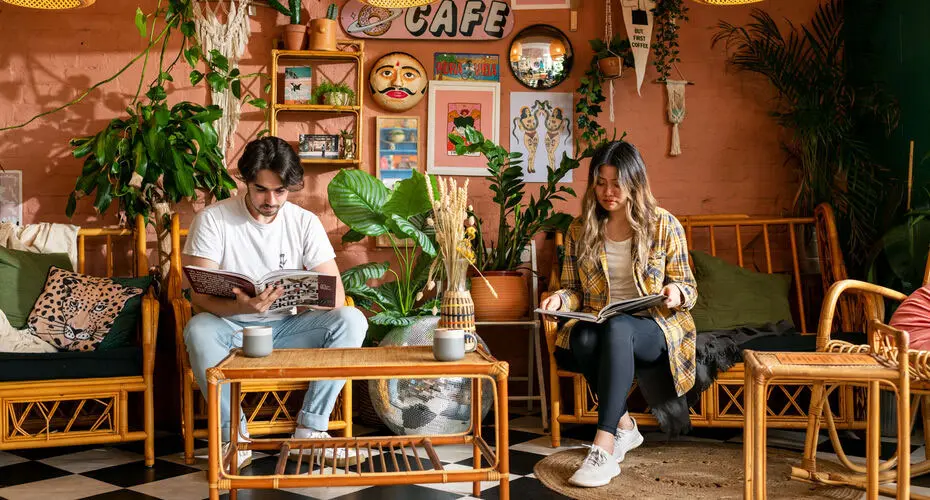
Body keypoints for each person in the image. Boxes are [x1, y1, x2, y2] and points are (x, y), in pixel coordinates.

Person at [183, 136, 367, 469]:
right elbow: (197, 296)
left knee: (352, 320)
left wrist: (307, 294)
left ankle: (310, 431)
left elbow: (337, 296)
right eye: (261, 190)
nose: (270, 200)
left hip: (286, 328)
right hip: (229, 329)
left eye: (280, 191)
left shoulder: (303, 222)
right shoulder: (213, 220)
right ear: (245, 181)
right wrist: (242, 307)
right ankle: (233, 438)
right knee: (198, 330)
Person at [539, 141, 697, 488]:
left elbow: (689, 286)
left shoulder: (664, 225)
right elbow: (573, 291)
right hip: (603, 320)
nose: (608, 192)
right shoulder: (581, 229)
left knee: (618, 327)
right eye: (600, 182)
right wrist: (558, 301)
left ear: (635, 182)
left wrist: (675, 293)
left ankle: (604, 446)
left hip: (656, 327)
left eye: (617, 182)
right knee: (581, 336)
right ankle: (625, 425)